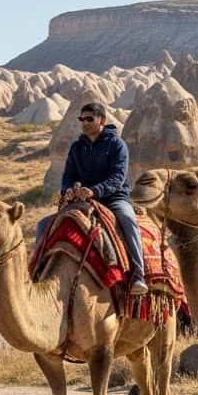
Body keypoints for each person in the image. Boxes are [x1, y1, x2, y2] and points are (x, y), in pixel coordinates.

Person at [59, 102, 148, 296]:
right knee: (45, 224)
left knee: (127, 219)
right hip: (84, 199)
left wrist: (95, 191)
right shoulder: (77, 148)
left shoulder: (117, 145)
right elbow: (68, 175)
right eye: (82, 119)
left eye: (89, 119)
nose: (84, 123)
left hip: (113, 196)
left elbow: (118, 177)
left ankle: (138, 274)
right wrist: (68, 189)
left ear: (102, 120)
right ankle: (39, 270)